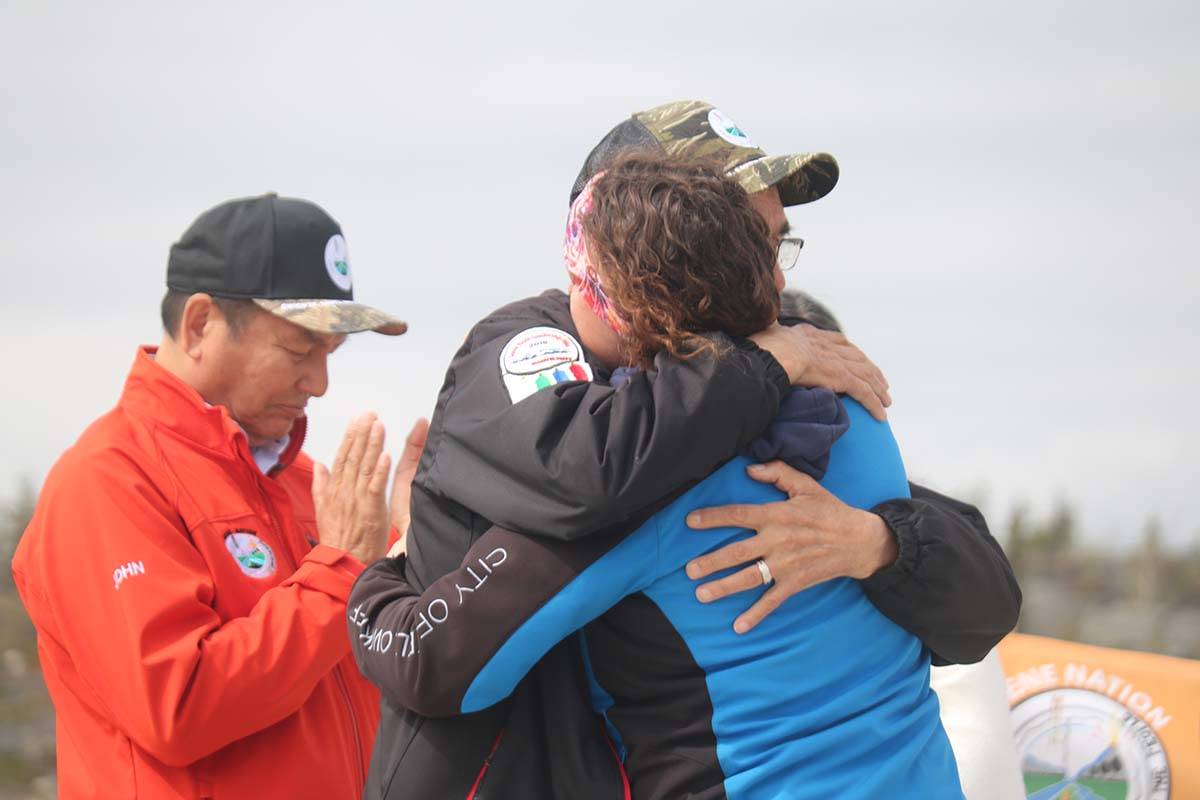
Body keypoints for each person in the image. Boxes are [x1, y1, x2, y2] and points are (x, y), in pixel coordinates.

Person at [351, 154, 963, 799]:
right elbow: (973, 582)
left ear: (627, 299)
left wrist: (379, 572)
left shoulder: (646, 484)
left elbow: (433, 665)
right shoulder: (856, 409)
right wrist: (881, 543)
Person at [11, 194, 406, 799]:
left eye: (330, 355)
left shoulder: (305, 484)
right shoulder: (107, 480)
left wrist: (414, 555)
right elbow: (179, 704)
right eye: (300, 350)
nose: (320, 384)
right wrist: (342, 571)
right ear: (199, 324)